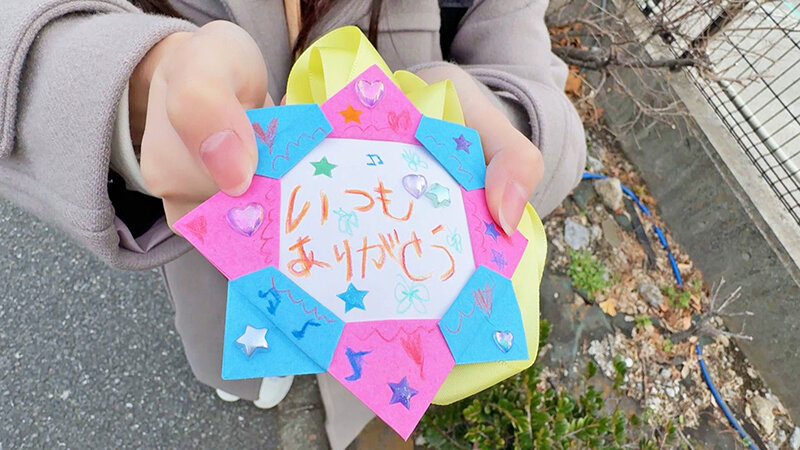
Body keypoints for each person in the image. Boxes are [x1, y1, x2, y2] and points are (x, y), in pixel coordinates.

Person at [0, 0, 585, 447]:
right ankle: (248, 383)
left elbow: (524, 55)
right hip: (213, 269)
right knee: (240, 366)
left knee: (354, 376)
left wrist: (495, 124)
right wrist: (135, 83)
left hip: (405, 256)